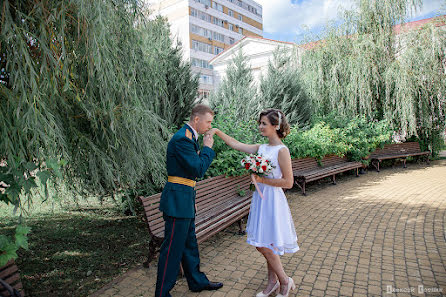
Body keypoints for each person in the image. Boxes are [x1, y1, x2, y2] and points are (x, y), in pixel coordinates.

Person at [207, 108, 299, 297]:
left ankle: (284, 280)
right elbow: (236, 144)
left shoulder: (282, 151)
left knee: (264, 244)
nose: (260, 126)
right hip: (261, 199)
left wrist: (262, 180)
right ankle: (272, 282)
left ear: (276, 126)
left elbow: (288, 182)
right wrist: (216, 131)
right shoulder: (262, 148)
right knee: (266, 243)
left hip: (273, 201)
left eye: (264, 123)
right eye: (260, 123)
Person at [155, 104, 223, 297]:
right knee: (172, 250)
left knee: (189, 244)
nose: (209, 126)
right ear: (196, 120)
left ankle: (196, 282)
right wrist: (208, 149)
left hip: (184, 200)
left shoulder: (189, 137)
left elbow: (190, 170)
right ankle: (161, 293)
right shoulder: (183, 139)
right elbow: (198, 169)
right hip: (177, 202)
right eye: (208, 121)